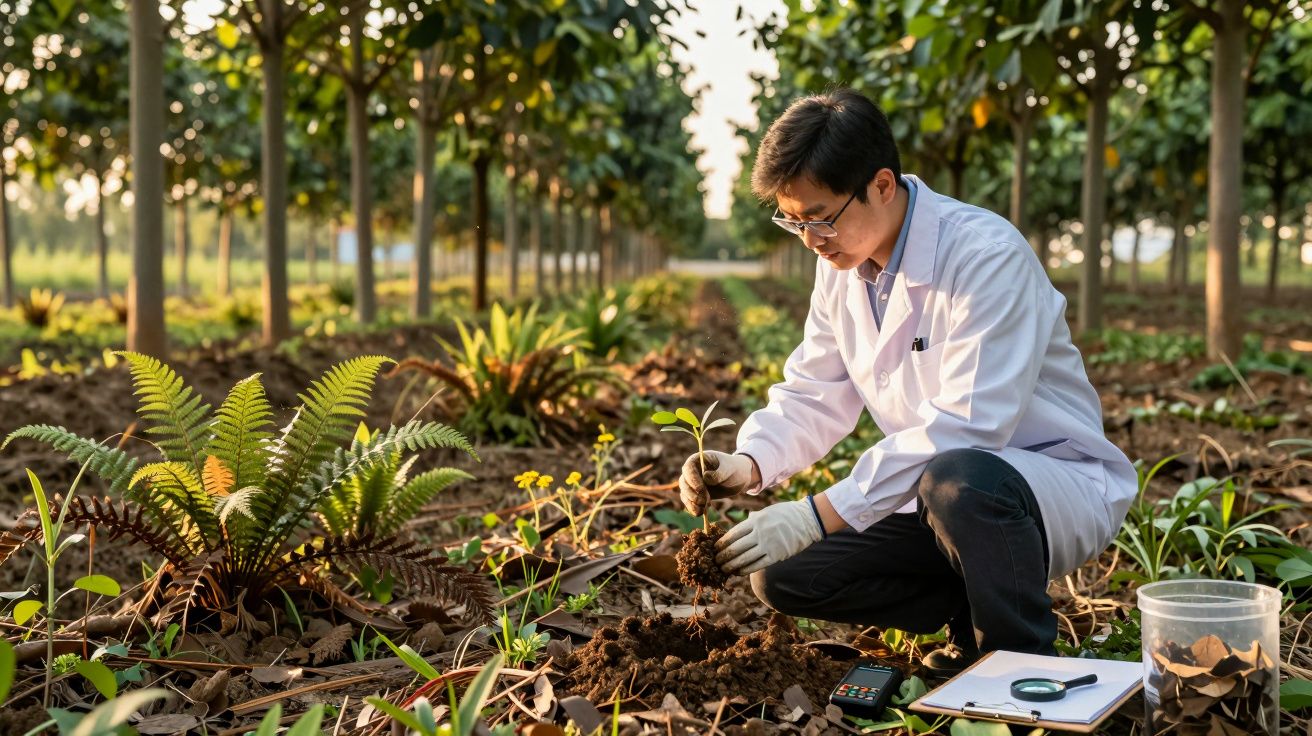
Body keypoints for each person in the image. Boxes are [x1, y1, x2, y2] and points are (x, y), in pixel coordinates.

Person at [678, 88, 1137, 676]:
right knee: (785, 573)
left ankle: (1020, 663)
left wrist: (817, 513)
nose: (811, 240)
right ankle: (969, 606)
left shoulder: (985, 256)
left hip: (1040, 483)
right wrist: (749, 463)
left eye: (821, 218)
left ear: (881, 185)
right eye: (794, 222)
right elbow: (815, 390)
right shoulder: (842, 269)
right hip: (936, 493)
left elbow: (968, 427)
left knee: (960, 478)